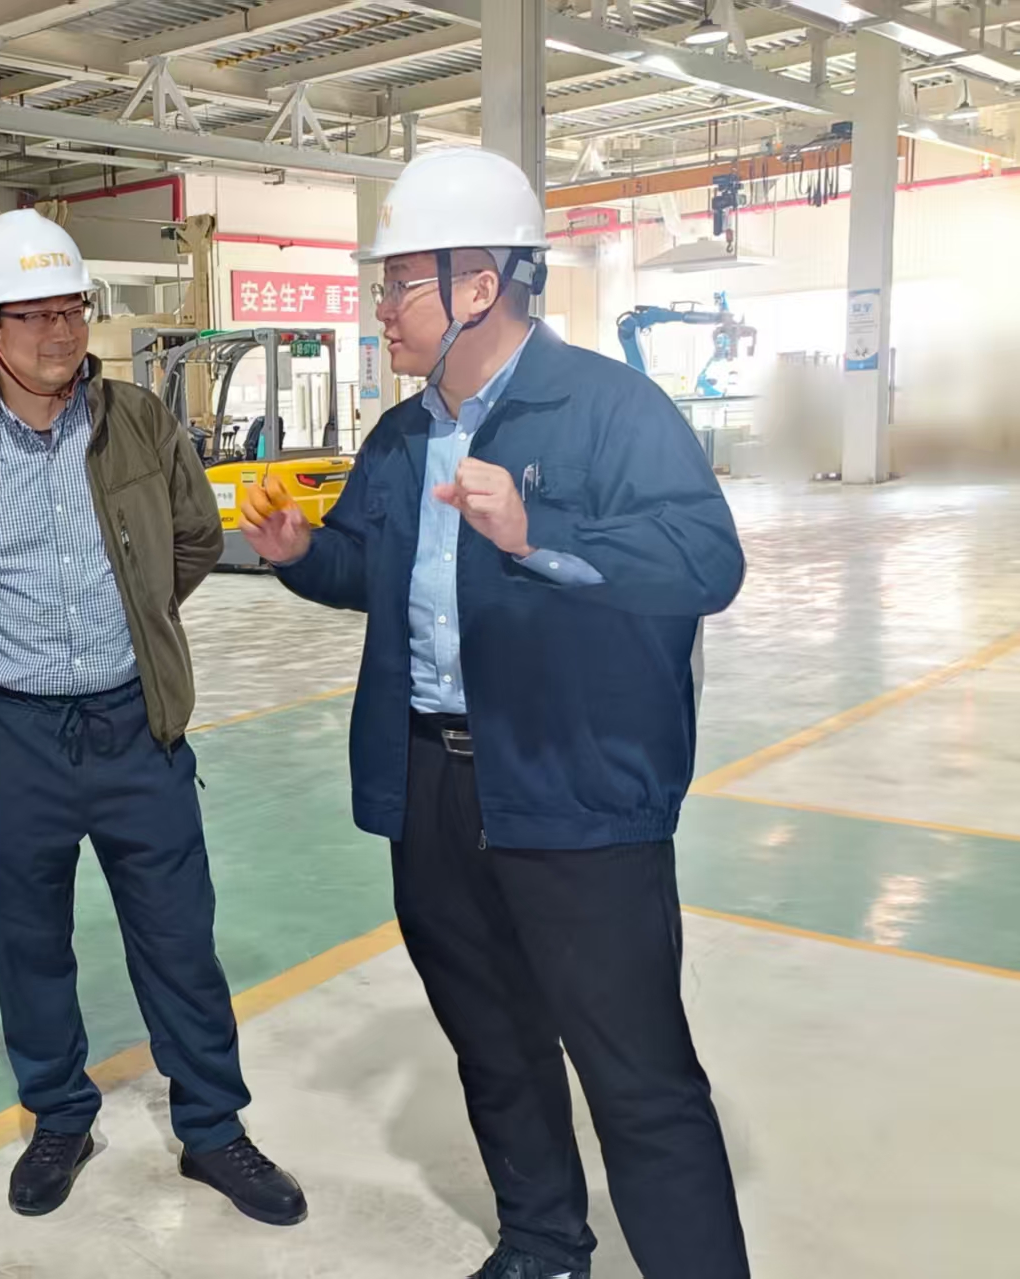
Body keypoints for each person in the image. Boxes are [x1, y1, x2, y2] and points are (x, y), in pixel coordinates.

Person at [239, 147, 749, 1279]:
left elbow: (706, 562)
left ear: (477, 286)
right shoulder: (402, 434)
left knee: (636, 1074)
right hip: (434, 784)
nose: (381, 308)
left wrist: (536, 533)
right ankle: (543, 1243)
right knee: (494, 1041)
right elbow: (368, 567)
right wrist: (302, 553)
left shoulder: (611, 410)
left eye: (398, 284)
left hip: (576, 786)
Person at [0, 209, 307, 1228]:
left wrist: (135, 620)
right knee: (28, 944)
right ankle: (59, 1117)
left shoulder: (141, 422)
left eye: (70, 309)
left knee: (179, 939)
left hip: (135, 725)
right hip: (14, 738)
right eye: (32, 315)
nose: (59, 332)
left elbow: (195, 539)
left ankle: (212, 1126)